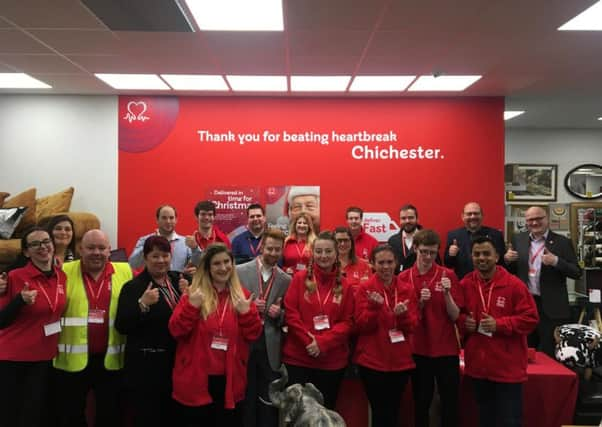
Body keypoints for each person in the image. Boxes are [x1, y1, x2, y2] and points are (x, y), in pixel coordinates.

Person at [169, 244, 262, 427]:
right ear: (208, 268)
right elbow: (175, 330)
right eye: (216, 263)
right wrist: (191, 308)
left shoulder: (241, 296)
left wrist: (247, 314)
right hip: (197, 380)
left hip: (230, 380)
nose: (223, 267)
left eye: (227, 262)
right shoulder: (194, 295)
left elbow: (254, 335)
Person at [54, 229, 133, 427]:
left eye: (101, 248)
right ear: (81, 249)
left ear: (109, 251)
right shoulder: (62, 271)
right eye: (90, 248)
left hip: (111, 361)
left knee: (110, 414)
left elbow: (156, 274)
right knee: (71, 414)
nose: (96, 252)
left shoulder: (126, 271)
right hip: (72, 362)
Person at [461, 236, 539, 427]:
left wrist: (500, 325)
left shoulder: (514, 285)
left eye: (486, 253)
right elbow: (458, 314)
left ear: (497, 256)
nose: (481, 258)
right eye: (477, 254)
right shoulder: (465, 284)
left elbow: (531, 319)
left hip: (507, 369)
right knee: (485, 419)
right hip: (478, 368)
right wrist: (464, 322)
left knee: (509, 421)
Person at [115, 235, 188, 427]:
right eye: (155, 256)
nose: (161, 260)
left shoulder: (178, 280)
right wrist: (142, 305)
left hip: (177, 363)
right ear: (146, 258)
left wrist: (188, 294)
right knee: (149, 417)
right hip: (147, 369)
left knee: (174, 416)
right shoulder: (133, 287)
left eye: (165, 255)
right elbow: (121, 325)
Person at [0, 227, 67, 427]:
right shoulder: (13, 277)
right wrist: (19, 300)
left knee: (37, 414)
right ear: (27, 252)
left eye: (46, 241)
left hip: (46, 357)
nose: (42, 247)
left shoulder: (61, 277)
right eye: (35, 244)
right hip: (14, 359)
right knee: (14, 415)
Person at [282, 231, 354, 409]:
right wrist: (309, 342)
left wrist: (322, 343)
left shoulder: (345, 285)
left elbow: (348, 322)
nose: (324, 256)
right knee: (297, 414)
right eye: (319, 251)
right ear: (312, 253)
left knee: (325, 413)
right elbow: (291, 314)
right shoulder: (299, 279)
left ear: (336, 254)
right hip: (298, 358)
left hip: (331, 361)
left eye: (328, 251)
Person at [399, 229, 462, 427]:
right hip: (418, 349)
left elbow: (456, 316)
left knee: (449, 402)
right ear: (415, 248)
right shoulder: (403, 278)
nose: (427, 257)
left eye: (432, 253)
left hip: (446, 349)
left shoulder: (448, 275)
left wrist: (447, 295)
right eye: (424, 251)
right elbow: (403, 318)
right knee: (421, 402)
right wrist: (419, 304)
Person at [354, 244, 417, 427]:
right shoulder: (365, 288)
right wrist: (373, 309)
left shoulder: (407, 289)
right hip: (372, 362)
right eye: (381, 262)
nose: (386, 267)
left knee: (394, 411)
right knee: (380, 412)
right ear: (372, 264)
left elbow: (413, 326)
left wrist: (403, 316)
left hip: (400, 362)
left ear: (396, 263)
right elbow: (361, 326)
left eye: (390, 262)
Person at [504, 205, 581, 355]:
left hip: (552, 308)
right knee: (524, 350)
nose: (534, 223)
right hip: (525, 305)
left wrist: (556, 261)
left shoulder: (562, 242)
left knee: (550, 352)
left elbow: (577, 272)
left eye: (538, 218)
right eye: (530, 220)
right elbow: (513, 272)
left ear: (547, 219)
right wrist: (507, 260)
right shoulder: (518, 239)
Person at [236, 228, 291, 427]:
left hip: (270, 344)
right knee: (246, 393)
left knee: (269, 395)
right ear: (261, 247)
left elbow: (288, 316)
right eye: (270, 249)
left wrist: (280, 315)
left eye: (278, 250)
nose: (273, 253)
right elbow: (229, 305)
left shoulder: (286, 280)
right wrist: (249, 307)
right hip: (245, 342)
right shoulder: (239, 272)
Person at [129, 205, 201, 273]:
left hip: (178, 284)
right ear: (157, 220)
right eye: (164, 218)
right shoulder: (145, 240)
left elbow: (199, 265)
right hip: (153, 284)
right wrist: (149, 244)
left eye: (171, 218)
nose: (168, 221)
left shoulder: (185, 242)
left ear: (176, 220)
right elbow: (133, 264)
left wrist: (195, 248)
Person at [445, 202, 505, 279]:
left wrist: (508, 259)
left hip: (490, 283)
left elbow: (502, 263)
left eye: (476, 213)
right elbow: (448, 264)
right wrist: (451, 255)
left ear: (482, 216)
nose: (473, 216)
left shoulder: (496, 235)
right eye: (469, 214)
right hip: (463, 283)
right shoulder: (453, 235)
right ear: (463, 216)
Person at [334, 226, 371, 293]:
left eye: (346, 240)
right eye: (339, 240)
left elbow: (369, 291)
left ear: (352, 242)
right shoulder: (328, 265)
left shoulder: (364, 265)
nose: (342, 244)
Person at [387, 204, 422, 273]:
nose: (407, 221)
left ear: (417, 219)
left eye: (411, 218)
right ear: (400, 220)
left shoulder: (427, 239)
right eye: (403, 218)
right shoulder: (392, 241)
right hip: (399, 281)